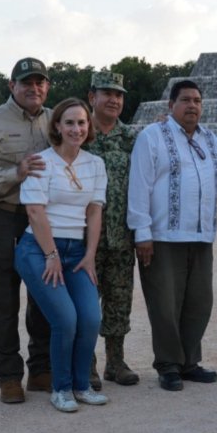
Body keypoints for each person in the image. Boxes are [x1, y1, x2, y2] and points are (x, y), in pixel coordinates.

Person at [0, 58, 54, 404]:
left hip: (44, 219)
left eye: (40, 82)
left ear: (46, 86)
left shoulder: (55, 119)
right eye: (26, 82)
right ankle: (9, 376)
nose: (34, 88)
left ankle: (42, 368)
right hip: (4, 215)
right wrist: (13, 174)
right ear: (11, 86)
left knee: (44, 295)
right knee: (6, 301)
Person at [14, 98, 109, 413]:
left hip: (77, 251)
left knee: (91, 318)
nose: (76, 129)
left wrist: (91, 254)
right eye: (69, 122)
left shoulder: (95, 164)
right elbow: (35, 211)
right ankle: (62, 387)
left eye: (82, 122)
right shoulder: (42, 161)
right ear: (57, 126)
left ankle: (82, 385)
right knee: (65, 320)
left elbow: (94, 212)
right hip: (38, 249)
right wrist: (51, 254)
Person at [128, 80, 217, 391]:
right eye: (185, 100)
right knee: (165, 304)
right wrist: (142, 233)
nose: (192, 105)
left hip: (200, 236)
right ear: (171, 106)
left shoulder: (209, 139)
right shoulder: (152, 137)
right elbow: (140, 186)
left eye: (197, 100)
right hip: (162, 236)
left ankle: (189, 361)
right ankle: (168, 364)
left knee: (199, 302)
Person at [84, 71, 140, 386]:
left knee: (119, 301)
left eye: (119, 95)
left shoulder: (132, 138)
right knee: (86, 304)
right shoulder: (78, 133)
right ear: (92, 97)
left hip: (120, 236)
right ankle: (88, 364)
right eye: (107, 93)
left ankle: (115, 362)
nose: (114, 100)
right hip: (83, 239)